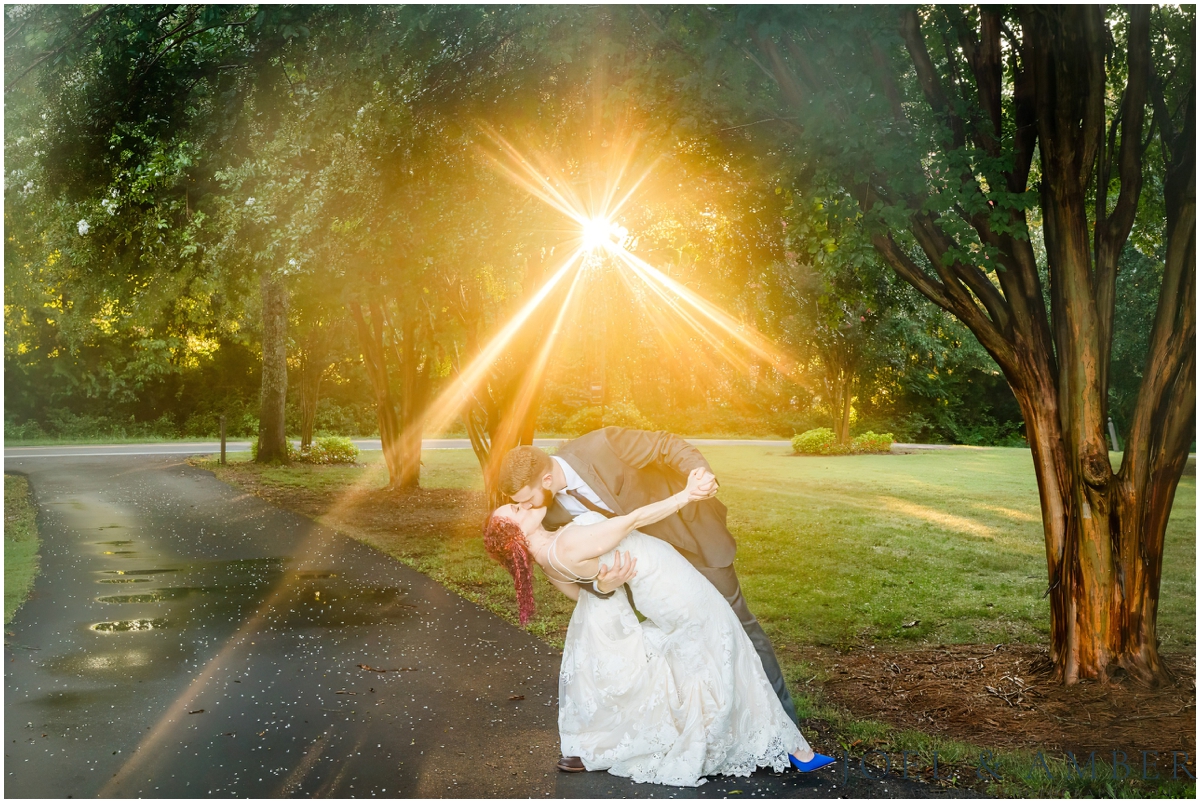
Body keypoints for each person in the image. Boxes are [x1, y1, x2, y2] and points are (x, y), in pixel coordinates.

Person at [483, 467, 835, 787]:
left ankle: (775, 742)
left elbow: (583, 592)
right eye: (516, 511)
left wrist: (603, 585)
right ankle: (784, 749)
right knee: (726, 642)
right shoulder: (567, 544)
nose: (524, 506)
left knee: (711, 651)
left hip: (661, 587)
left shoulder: (549, 557)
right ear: (516, 536)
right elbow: (632, 520)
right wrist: (687, 495)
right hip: (670, 587)